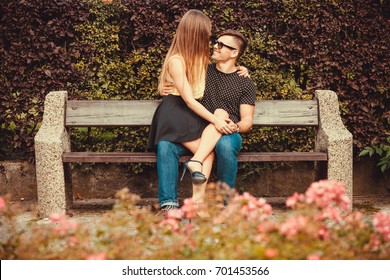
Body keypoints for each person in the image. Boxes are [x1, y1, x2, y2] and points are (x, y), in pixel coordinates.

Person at [157, 29, 257, 212]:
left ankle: (225, 202)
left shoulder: (245, 82)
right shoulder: (202, 70)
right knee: (165, 145)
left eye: (221, 45)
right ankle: (169, 203)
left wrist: (234, 127)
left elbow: (247, 121)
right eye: (216, 42)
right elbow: (177, 79)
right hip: (197, 129)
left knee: (225, 145)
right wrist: (163, 86)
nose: (215, 46)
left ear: (234, 53)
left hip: (227, 131)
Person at [147, 10, 235, 202]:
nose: (210, 37)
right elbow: (188, 99)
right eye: (207, 32)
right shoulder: (176, 60)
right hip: (174, 113)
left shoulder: (202, 59)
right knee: (202, 151)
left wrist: (240, 70)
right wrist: (215, 120)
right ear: (197, 33)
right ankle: (176, 201)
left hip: (188, 114)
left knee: (206, 152)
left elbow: (225, 65)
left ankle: (197, 203)